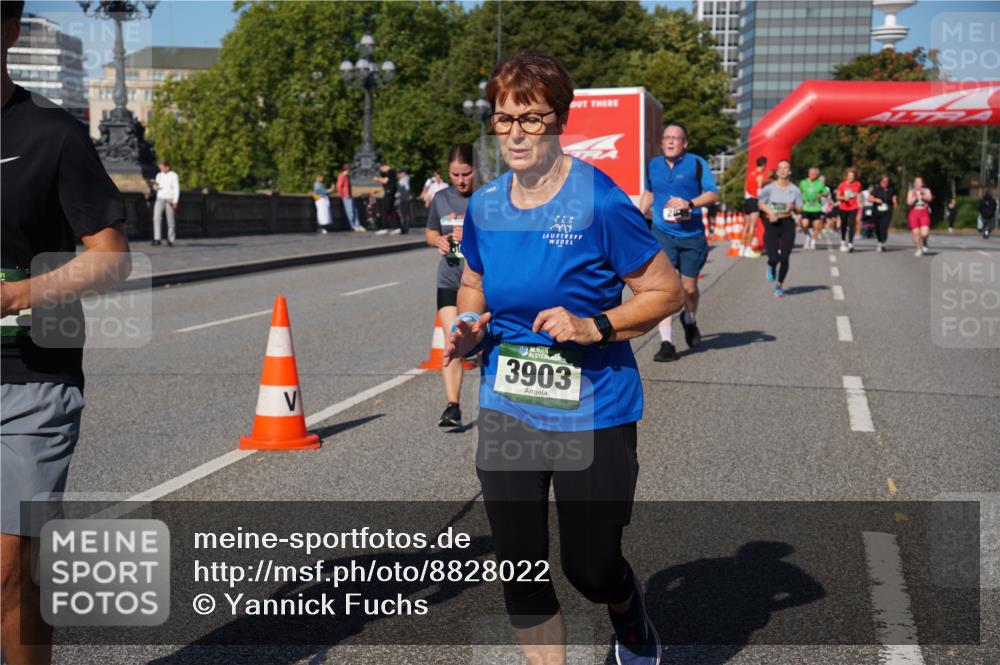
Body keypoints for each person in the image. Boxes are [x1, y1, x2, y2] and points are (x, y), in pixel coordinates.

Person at [444, 50, 682, 665]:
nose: (516, 134)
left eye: (532, 119)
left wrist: (593, 324)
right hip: (509, 403)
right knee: (520, 569)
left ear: (558, 120)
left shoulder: (598, 200)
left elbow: (664, 291)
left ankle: (629, 617)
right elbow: (473, 281)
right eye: (504, 119)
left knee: (592, 567)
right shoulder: (486, 205)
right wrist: (468, 325)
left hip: (594, 406)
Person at [2, 3, 132, 662]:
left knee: (8, 572)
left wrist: (22, 293)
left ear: (10, 29)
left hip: (30, 381)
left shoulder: (51, 133)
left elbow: (111, 255)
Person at [638, 123, 720, 362]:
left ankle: (690, 319)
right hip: (662, 234)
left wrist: (689, 203)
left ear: (685, 142)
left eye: (676, 138)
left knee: (689, 288)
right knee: (667, 287)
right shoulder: (653, 165)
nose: (671, 141)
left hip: (692, 235)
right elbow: (649, 192)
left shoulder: (696, 163)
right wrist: (637, 215)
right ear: (662, 142)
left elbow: (714, 194)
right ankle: (666, 342)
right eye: (667, 138)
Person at [425, 144, 476, 427]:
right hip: (449, 277)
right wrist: (439, 241)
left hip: (481, 282)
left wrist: (472, 235)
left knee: (485, 341)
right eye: (455, 174)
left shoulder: (488, 198)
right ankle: (453, 407)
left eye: (466, 173)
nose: (460, 180)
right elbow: (431, 231)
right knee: (452, 339)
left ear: (476, 170)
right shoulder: (441, 198)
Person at [759, 160, 803, 298]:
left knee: (784, 257)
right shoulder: (769, 188)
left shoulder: (795, 190)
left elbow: (800, 208)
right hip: (772, 223)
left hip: (787, 223)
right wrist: (770, 213)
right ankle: (771, 266)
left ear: (790, 171)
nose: (783, 170)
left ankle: (779, 285)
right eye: (781, 168)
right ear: (777, 171)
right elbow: (760, 203)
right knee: (774, 257)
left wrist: (793, 207)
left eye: (786, 168)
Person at [741, 155, 769, 258]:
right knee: (753, 225)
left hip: (747, 200)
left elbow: (745, 187)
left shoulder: (750, 174)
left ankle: (742, 248)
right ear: (764, 165)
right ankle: (748, 249)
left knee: (746, 226)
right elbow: (759, 191)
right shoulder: (760, 175)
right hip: (754, 200)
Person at [798, 167, 828, 251]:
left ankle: (813, 242)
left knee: (816, 226)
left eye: (814, 173)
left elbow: (826, 193)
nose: (812, 174)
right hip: (806, 207)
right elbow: (798, 193)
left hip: (816, 208)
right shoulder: (803, 183)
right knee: (804, 225)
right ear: (808, 173)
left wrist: (821, 195)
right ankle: (808, 236)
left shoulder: (820, 183)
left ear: (817, 175)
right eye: (810, 173)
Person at [152, 160, 179, 247]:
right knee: (156, 217)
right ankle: (157, 238)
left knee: (170, 220)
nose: (161, 169)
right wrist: (155, 185)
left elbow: (176, 189)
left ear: (167, 167)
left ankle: (171, 239)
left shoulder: (174, 175)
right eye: (160, 168)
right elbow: (156, 188)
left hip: (169, 199)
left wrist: (175, 201)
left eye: (162, 167)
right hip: (160, 197)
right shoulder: (159, 175)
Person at [869, 174, 897, 252]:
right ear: (880, 181)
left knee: (884, 226)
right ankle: (879, 241)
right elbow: (870, 198)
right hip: (876, 211)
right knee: (877, 227)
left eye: (886, 181)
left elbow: (894, 198)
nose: (885, 182)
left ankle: (883, 242)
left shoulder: (891, 189)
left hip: (887, 211)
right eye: (883, 181)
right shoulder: (876, 189)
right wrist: (875, 200)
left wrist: (895, 203)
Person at [836, 168, 862, 252]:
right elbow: (837, 197)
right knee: (843, 224)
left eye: (852, 176)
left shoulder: (858, 184)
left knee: (852, 224)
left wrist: (859, 205)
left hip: (853, 207)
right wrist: (843, 197)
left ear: (855, 177)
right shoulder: (842, 185)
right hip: (843, 207)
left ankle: (850, 243)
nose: (851, 177)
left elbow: (858, 195)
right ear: (846, 176)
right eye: (849, 176)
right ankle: (843, 241)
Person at [906, 177, 933, 256]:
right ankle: (918, 249)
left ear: (922, 183)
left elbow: (930, 198)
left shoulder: (926, 190)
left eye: (919, 182)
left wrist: (923, 195)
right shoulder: (911, 192)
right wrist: (915, 197)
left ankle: (924, 241)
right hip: (914, 213)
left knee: (924, 233)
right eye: (916, 182)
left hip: (924, 213)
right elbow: (908, 203)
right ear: (914, 184)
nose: (917, 183)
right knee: (916, 233)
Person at [372, 162, 398, 235]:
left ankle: (384, 228)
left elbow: (386, 181)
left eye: (381, 169)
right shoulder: (393, 172)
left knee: (384, 210)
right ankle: (396, 227)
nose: (381, 171)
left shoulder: (390, 172)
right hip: (391, 192)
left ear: (384, 166)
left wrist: (377, 179)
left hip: (388, 193)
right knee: (391, 211)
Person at [337, 162, 364, 232]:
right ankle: (353, 225)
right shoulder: (342, 176)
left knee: (355, 210)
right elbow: (339, 186)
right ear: (347, 169)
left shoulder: (347, 176)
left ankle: (357, 224)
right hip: (346, 196)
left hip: (349, 195)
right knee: (350, 211)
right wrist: (342, 194)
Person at [397, 168, 412, 234]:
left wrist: (399, 194)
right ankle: (405, 228)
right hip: (404, 198)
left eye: (400, 173)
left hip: (404, 198)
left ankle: (404, 228)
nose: (399, 175)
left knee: (404, 214)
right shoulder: (405, 179)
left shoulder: (404, 179)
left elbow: (406, 188)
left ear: (403, 173)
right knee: (404, 214)